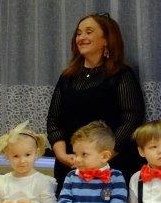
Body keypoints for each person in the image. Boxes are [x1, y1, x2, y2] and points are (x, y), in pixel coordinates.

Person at [46, 13, 146, 189]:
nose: (81, 37)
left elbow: (132, 119)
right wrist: (62, 156)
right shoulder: (67, 77)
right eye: (78, 33)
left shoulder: (121, 75)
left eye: (89, 32)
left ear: (106, 39)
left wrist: (101, 158)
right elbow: (54, 119)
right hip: (71, 165)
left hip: (111, 165)